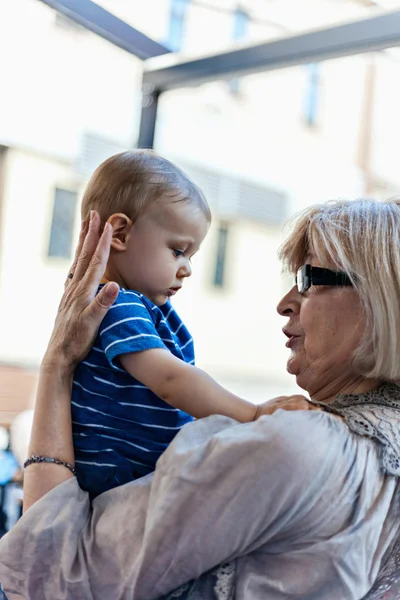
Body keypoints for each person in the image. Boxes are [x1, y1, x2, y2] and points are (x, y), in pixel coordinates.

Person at [0, 199, 400, 600]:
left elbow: (53, 575)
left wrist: (58, 363)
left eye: (309, 277)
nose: (285, 303)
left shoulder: (295, 446)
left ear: (380, 298)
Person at [72, 150, 298, 497]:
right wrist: (253, 412)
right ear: (119, 233)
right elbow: (169, 379)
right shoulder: (117, 304)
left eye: (191, 257)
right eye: (178, 251)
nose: (187, 269)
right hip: (119, 476)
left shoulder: (141, 306)